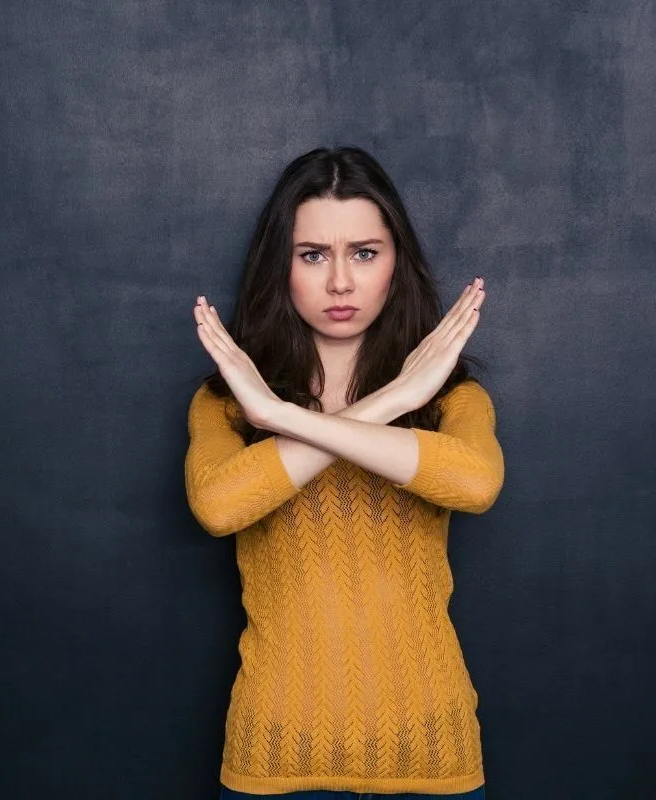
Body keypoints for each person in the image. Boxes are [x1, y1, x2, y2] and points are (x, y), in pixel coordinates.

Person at [185, 145, 504, 799]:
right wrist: (389, 402)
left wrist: (285, 419)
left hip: (432, 755)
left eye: (363, 253)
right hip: (275, 757)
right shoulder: (228, 405)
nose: (339, 282)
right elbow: (219, 506)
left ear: (395, 263)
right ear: (280, 266)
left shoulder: (452, 401)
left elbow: (475, 485)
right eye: (312, 255)